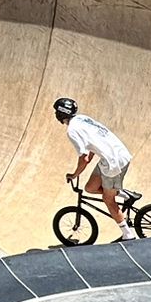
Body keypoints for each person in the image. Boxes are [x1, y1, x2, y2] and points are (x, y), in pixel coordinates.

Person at [54, 97, 137, 239]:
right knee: (90, 188)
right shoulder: (82, 119)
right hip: (116, 154)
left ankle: (128, 234)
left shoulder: (72, 131)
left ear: (61, 114)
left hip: (113, 162)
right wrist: (91, 157)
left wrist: (74, 175)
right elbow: (92, 143)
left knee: (108, 199)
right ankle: (124, 194)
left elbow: (84, 158)